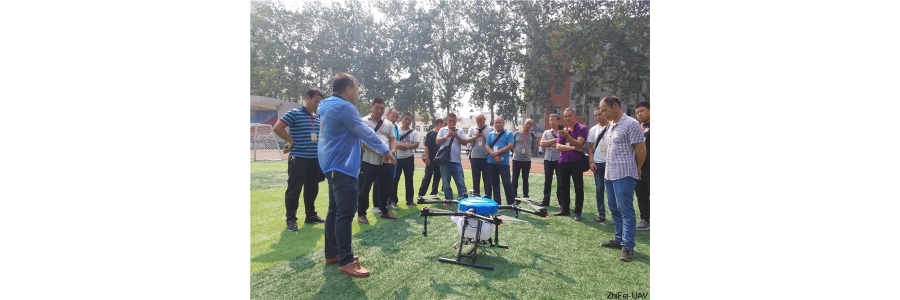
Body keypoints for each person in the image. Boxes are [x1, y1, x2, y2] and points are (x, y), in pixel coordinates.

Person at [318, 72, 396, 277]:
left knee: (334, 212)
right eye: (357, 88)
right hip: (342, 167)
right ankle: (345, 259)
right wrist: (385, 149)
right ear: (348, 89)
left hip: (331, 165)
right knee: (344, 214)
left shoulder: (325, 106)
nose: (358, 93)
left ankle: (332, 254)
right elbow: (365, 132)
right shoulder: (344, 107)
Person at [598, 95, 646, 263]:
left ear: (616, 106)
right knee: (614, 208)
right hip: (609, 175)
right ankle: (619, 239)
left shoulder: (631, 124)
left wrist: (637, 168)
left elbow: (641, 150)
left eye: (605, 110)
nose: (603, 114)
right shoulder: (612, 126)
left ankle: (628, 247)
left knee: (626, 211)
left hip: (624, 175)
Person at [273, 88, 327, 231]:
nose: (318, 104)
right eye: (316, 101)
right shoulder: (294, 113)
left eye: (320, 102)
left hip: (315, 159)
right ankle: (291, 219)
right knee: (294, 189)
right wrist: (290, 140)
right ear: (307, 98)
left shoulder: (318, 117)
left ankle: (310, 215)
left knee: (312, 188)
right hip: (299, 158)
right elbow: (277, 128)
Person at [357, 98, 399, 223]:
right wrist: (381, 152)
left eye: (382, 108)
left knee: (385, 187)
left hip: (386, 161)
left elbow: (393, 139)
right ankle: (362, 214)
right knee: (364, 188)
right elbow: (362, 141)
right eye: (377, 107)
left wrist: (391, 152)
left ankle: (384, 211)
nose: (380, 110)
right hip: (368, 160)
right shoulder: (363, 122)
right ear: (371, 107)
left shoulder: (388, 124)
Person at [555, 107, 589, 221]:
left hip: (576, 162)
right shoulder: (563, 130)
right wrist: (574, 147)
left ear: (575, 116)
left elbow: (580, 143)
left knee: (578, 187)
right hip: (563, 161)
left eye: (569, 116)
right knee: (564, 187)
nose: (567, 118)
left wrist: (567, 137)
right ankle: (565, 209)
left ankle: (578, 212)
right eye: (565, 116)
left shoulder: (582, 128)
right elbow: (558, 147)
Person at [436, 113, 471, 200]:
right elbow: (437, 141)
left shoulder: (460, 131)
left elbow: (464, 142)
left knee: (460, 182)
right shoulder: (442, 130)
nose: (452, 123)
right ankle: (448, 199)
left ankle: (463, 199)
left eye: (453, 121)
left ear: (456, 121)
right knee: (446, 182)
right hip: (445, 162)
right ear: (447, 121)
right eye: (450, 121)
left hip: (456, 162)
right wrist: (446, 136)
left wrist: (456, 136)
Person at [373, 108, 402, 211]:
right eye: (393, 116)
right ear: (387, 115)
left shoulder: (395, 127)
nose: (395, 118)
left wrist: (394, 156)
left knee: (389, 181)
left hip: (391, 158)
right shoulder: (383, 125)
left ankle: (387, 202)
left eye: (397, 117)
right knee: (378, 182)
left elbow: (394, 142)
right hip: (379, 157)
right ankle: (376, 205)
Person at [484, 117, 516, 205]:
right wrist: (493, 154)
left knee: (507, 183)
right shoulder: (490, 134)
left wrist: (498, 152)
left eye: (499, 122)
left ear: (503, 123)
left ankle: (511, 203)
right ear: (494, 124)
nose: (498, 124)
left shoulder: (508, 134)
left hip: (503, 163)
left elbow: (510, 146)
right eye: (496, 123)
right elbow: (487, 146)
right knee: (495, 184)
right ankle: (497, 203)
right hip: (491, 162)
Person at [587, 108, 610, 223]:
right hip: (598, 164)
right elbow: (590, 147)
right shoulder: (593, 130)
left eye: (600, 114)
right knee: (599, 189)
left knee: (614, 190)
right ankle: (601, 214)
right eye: (595, 115)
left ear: (605, 113)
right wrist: (591, 162)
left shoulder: (612, 126)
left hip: (611, 164)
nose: (598, 117)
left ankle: (617, 214)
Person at [394, 111, 420, 206]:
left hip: (409, 158)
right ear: (401, 119)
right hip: (397, 158)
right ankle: (393, 200)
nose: (407, 121)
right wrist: (399, 146)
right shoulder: (396, 130)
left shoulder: (414, 132)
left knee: (409, 179)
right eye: (406, 119)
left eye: (409, 120)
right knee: (395, 180)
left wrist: (407, 146)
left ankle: (409, 200)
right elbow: (393, 141)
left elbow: (417, 144)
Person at [467, 114, 494, 198]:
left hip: (486, 157)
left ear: (485, 120)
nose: (479, 123)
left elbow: (493, 142)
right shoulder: (472, 129)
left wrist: (484, 137)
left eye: (481, 121)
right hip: (475, 157)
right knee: (475, 178)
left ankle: (488, 196)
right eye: (478, 121)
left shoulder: (490, 129)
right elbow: (467, 140)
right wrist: (475, 137)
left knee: (487, 178)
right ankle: (476, 195)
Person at [634, 101, 650, 231]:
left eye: (642, 111)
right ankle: (645, 220)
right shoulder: (637, 127)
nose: (639, 114)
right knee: (641, 194)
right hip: (638, 167)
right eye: (637, 112)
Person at [539, 114, 562, 207]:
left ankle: (561, 201)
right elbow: (542, 143)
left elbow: (562, 144)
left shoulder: (562, 132)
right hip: (548, 159)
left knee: (560, 181)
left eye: (553, 120)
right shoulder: (546, 132)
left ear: (558, 121)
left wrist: (549, 144)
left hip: (559, 159)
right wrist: (554, 141)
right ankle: (546, 200)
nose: (551, 122)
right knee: (547, 180)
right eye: (550, 120)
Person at [418, 119, 444, 197]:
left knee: (437, 176)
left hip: (439, 159)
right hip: (431, 158)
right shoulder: (430, 133)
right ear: (439, 124)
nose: (444, 126)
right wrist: (427, 158)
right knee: (427, 176)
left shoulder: (442, 135)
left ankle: (434, 193)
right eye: (443, 124)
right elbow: (426, 146)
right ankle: (421, 194)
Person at [512, 119, 537, 198]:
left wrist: (527, 153)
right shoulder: (516, 134)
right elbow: (512, 145)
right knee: (515, 177)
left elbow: (533, 147)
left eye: (530, 124)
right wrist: (517, 152)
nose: (528, 125)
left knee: (525, 178)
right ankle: (514, 194)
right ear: (524, 123)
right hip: (516, 159)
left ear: (532, 126)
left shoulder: (532, 135)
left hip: (526, 160)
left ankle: (525, 195)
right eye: (527, 123)